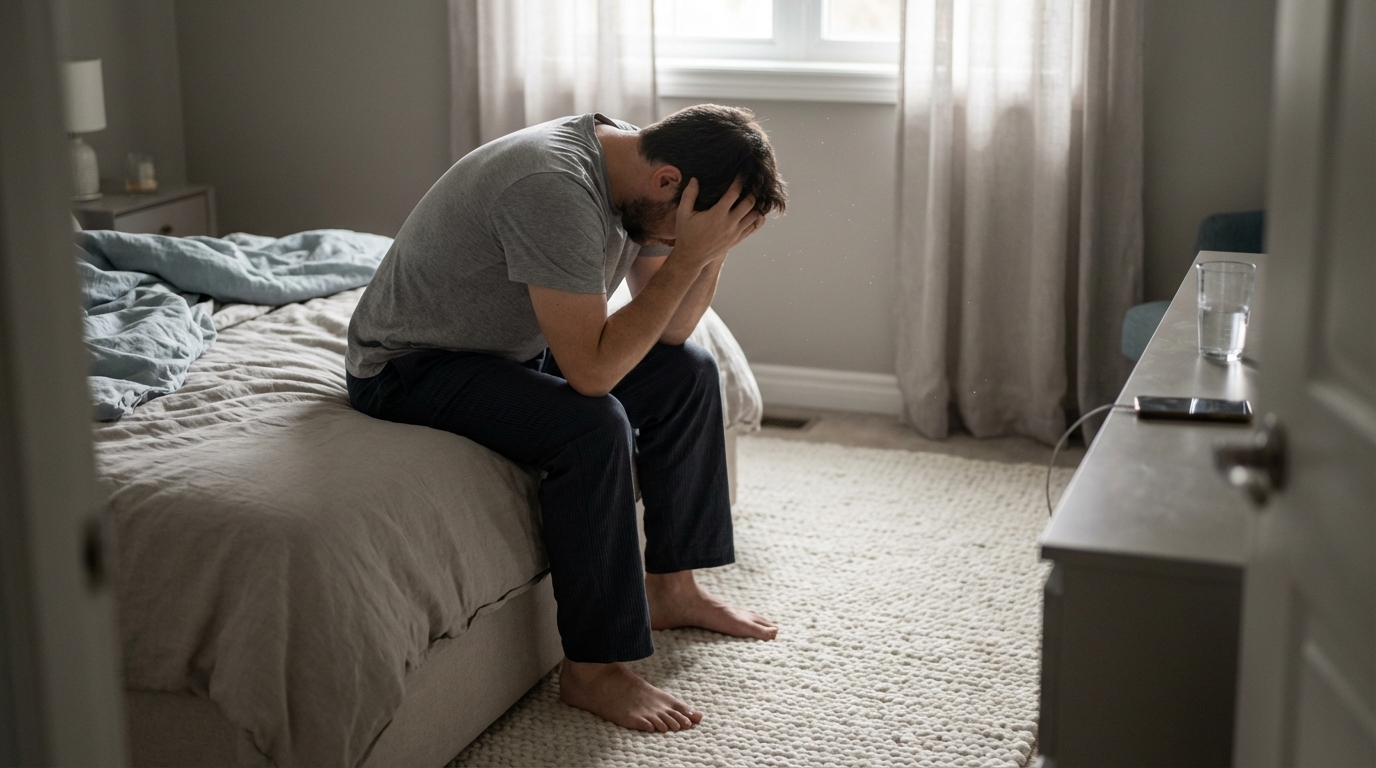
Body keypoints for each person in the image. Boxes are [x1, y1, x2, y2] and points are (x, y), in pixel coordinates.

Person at [344, 104, 787, 733]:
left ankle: (671, 589)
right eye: (682, 231)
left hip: (508, 347)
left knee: (687, 371)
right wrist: (688, 255)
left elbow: (675, 328)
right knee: (594, 427)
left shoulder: (643, 173)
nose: (671, 245)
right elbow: (592, 377)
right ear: (668, 181)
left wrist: (709, 250)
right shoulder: (554, 187)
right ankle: (593, 670)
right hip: (409, 365)